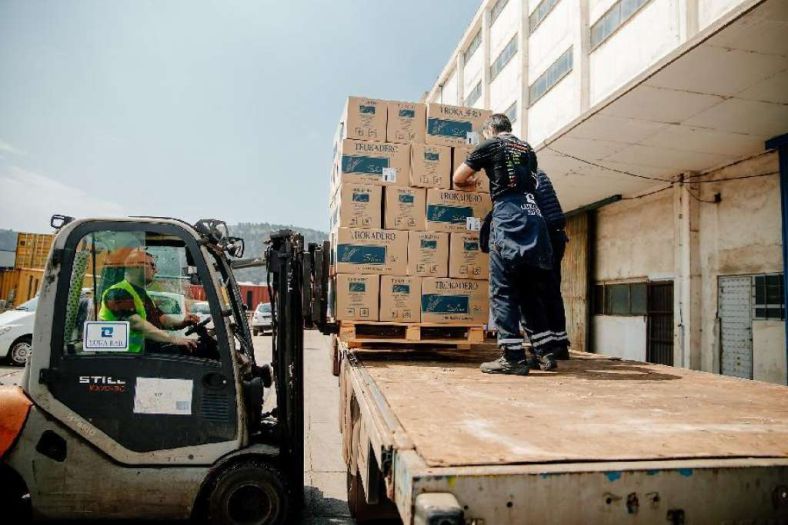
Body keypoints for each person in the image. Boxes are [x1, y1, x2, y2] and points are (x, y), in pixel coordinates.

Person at [453, 113, 557, 375]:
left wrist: (474, 182)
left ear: (489, 130)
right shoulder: (528, 149)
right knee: (531, 291)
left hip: (510, 217)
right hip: (535, 218)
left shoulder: (490, 145)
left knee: (503, 289)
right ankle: (544, 354)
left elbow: (458, 177)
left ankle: (512, 357)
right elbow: (532, 183)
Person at [98, 248, 198, 353]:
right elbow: (136, 323)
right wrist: (174, 339)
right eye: (152, 265)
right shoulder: (117, 292)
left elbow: (161, 319)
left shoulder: (142, 294)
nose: (156, 270)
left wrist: (182, 322)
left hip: (144, 355)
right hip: (125, 360)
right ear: (136, 266)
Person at [534, 168, 570, 360]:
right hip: (556, 235)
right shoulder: (540, 173)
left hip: (547, 237)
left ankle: (553, 344)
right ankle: (558, 342)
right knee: (552, 290)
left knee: (543, 291)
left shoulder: (527, 175)